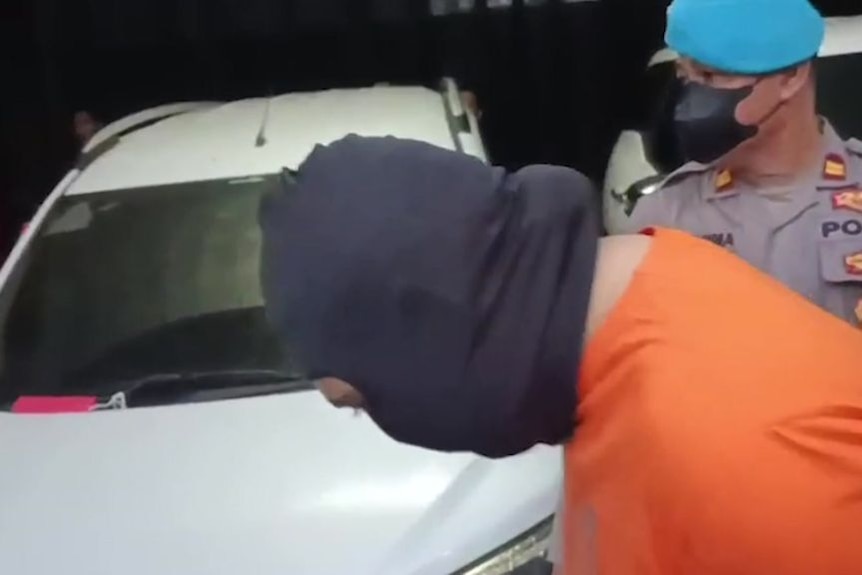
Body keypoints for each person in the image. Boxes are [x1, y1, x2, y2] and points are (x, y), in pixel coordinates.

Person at [260, 135, 862, 575]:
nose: (388, 425)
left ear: (435, 323)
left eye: (362, 403)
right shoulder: (628, 303)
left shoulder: (761, 467)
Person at [623, 0, 862, 328]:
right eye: (684, 76)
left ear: (790, 76)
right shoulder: (666, 214)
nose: (689, 103)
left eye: (709, 75)